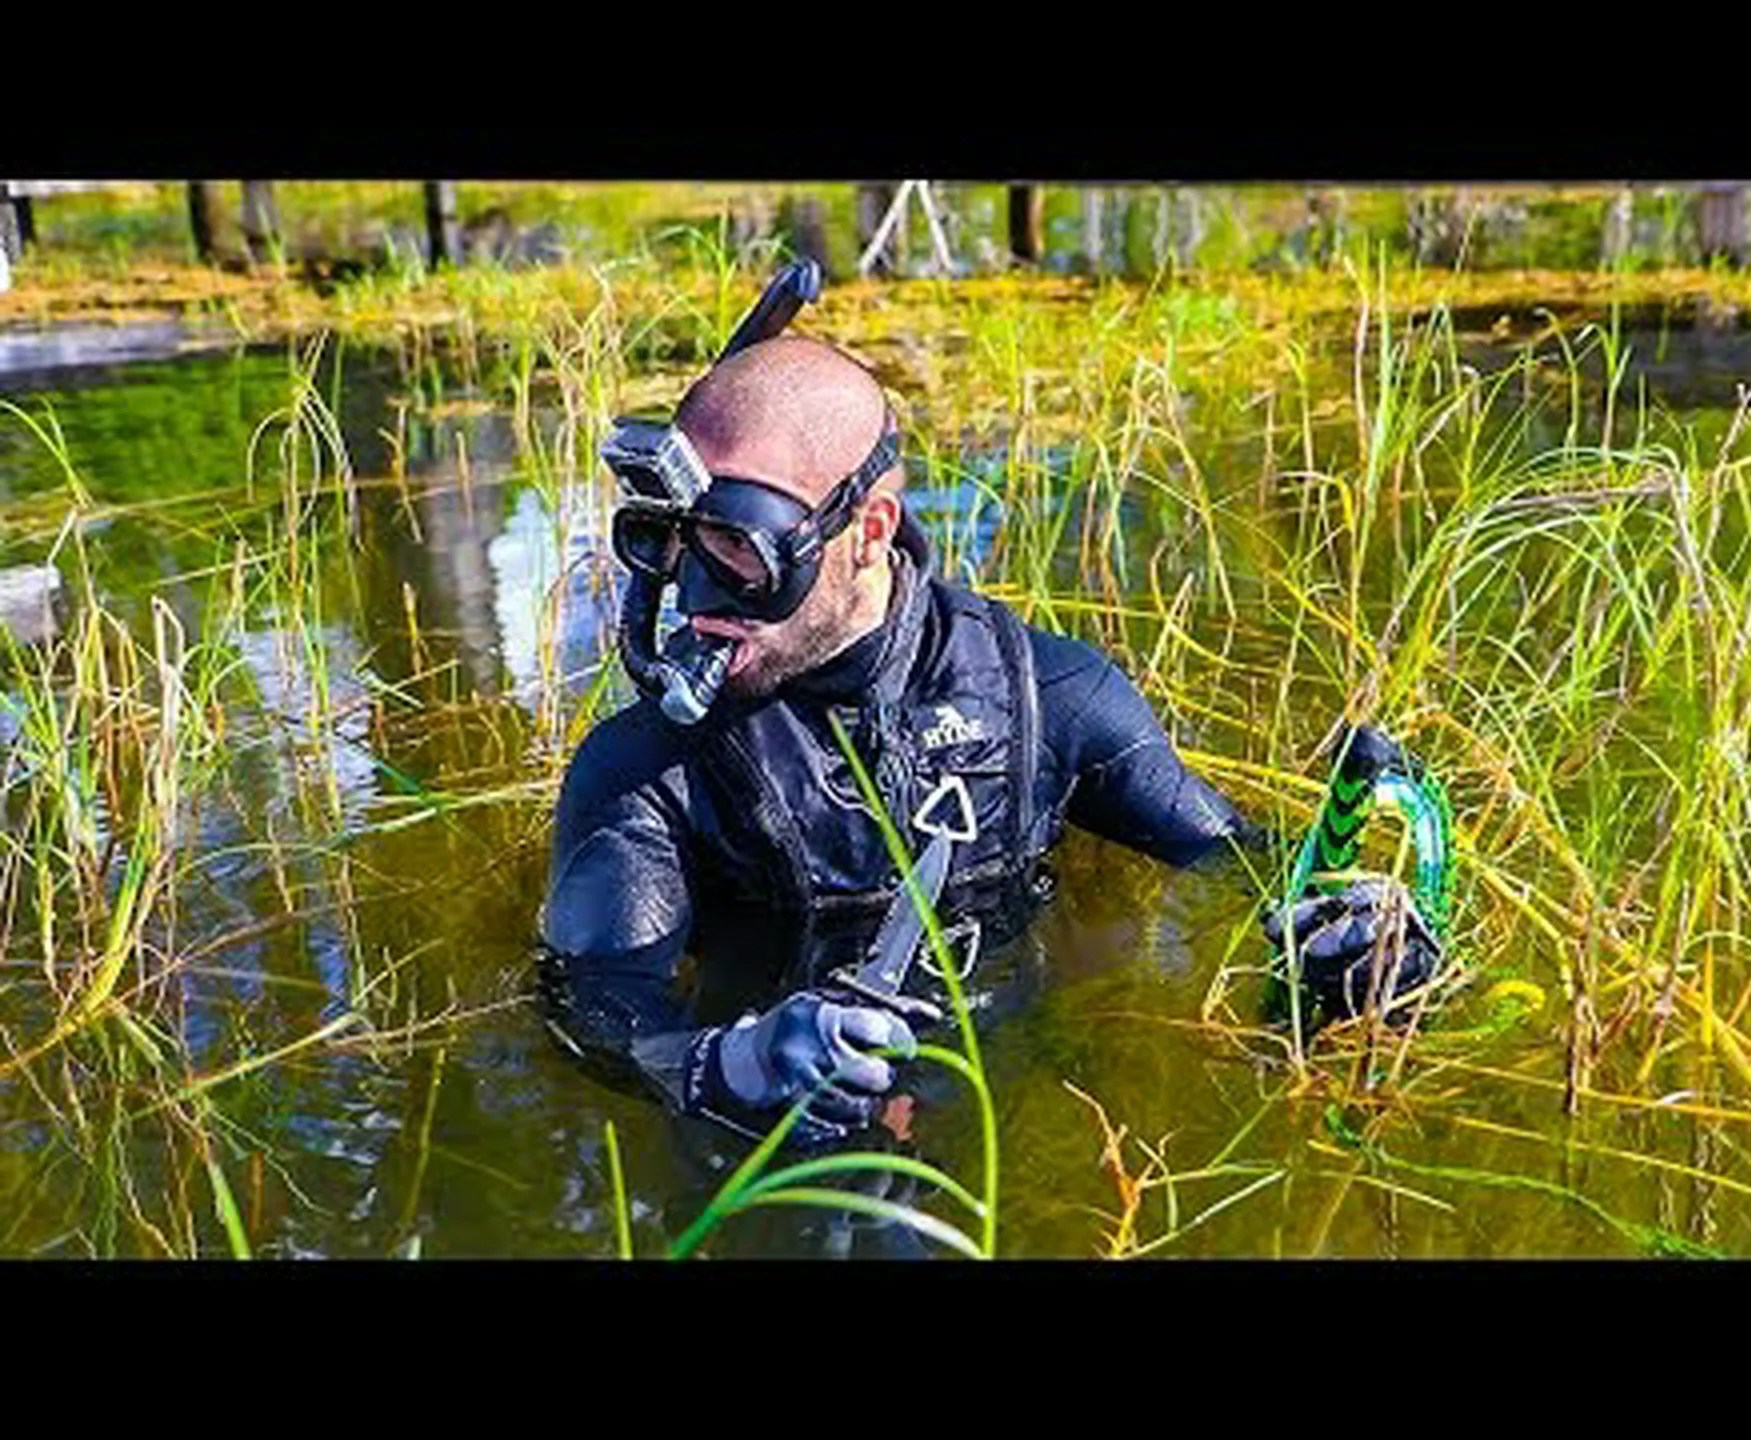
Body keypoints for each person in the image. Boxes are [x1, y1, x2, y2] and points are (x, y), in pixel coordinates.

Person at [540, 332, 1440, 1145]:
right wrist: (728, 1067)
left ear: (869, 533)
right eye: (672, 543)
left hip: (1022, 1125)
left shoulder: (1049, 695)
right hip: (765, 1156)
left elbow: (1231, 859)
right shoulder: (647, 769)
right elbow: (593, 1009)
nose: (696, 594)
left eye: (740, 549)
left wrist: (1348, 929)